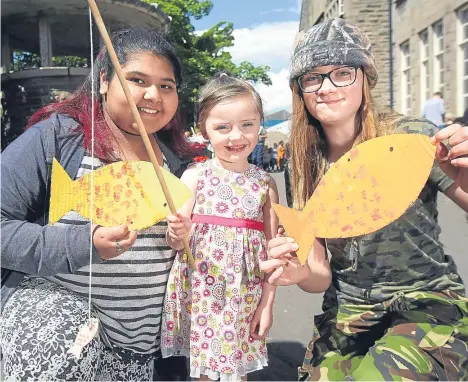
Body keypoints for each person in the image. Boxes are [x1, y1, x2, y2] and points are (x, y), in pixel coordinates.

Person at [261, 18, 468, 381]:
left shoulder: (409, 138)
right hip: (347, 309)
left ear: (364, 80)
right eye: (313, 77)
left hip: (427, 302)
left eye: (342, 72)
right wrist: (300, 272)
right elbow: (320, 273)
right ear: (300, 90)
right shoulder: (302, 163)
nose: (326, 87)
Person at [1, 28, 193, 381]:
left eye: (167, 85)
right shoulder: (58, 138)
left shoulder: (181, 164)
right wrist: (83, 244)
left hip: (138, 351)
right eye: (136, 79)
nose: (153, 94)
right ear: (104, 81)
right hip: (55, 314)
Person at [160, 73, 281, 381]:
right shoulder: (195, 176)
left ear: (260, 124)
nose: (236, 136)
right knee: (204, 372)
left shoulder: (265, 184)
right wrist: (177, 232)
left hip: (246, 291)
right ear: (204, 130)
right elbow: (177, 241)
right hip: (202, 290)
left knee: (236, 370)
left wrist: (267, 304)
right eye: (222, 127)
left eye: (247, 125)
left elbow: (273, 254)